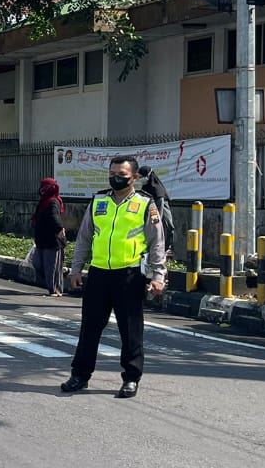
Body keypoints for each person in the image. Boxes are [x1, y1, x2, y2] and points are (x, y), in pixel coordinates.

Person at [60, 155, 167, 399]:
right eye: (112, 174)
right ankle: (80, 375)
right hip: (99, 274)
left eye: (122, 175)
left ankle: (131, 378)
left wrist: (158, 275)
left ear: (135, 178)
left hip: (129, 275)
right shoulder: (99, 201)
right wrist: (76, 269)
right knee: (89, 329)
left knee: (130, 331)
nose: (116, 179)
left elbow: (157, 243)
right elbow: (85, 238)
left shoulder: (144, 204)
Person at [31, 178, 66, 297]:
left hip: (52, 240)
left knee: (51, 268)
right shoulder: (43, 201)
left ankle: (55, 290)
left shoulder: (53, 201)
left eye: (45, 188)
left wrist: (60, 228)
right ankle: (64, 272)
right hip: (41, 240)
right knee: (37, 263)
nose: (42, 190)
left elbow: (54, 216)